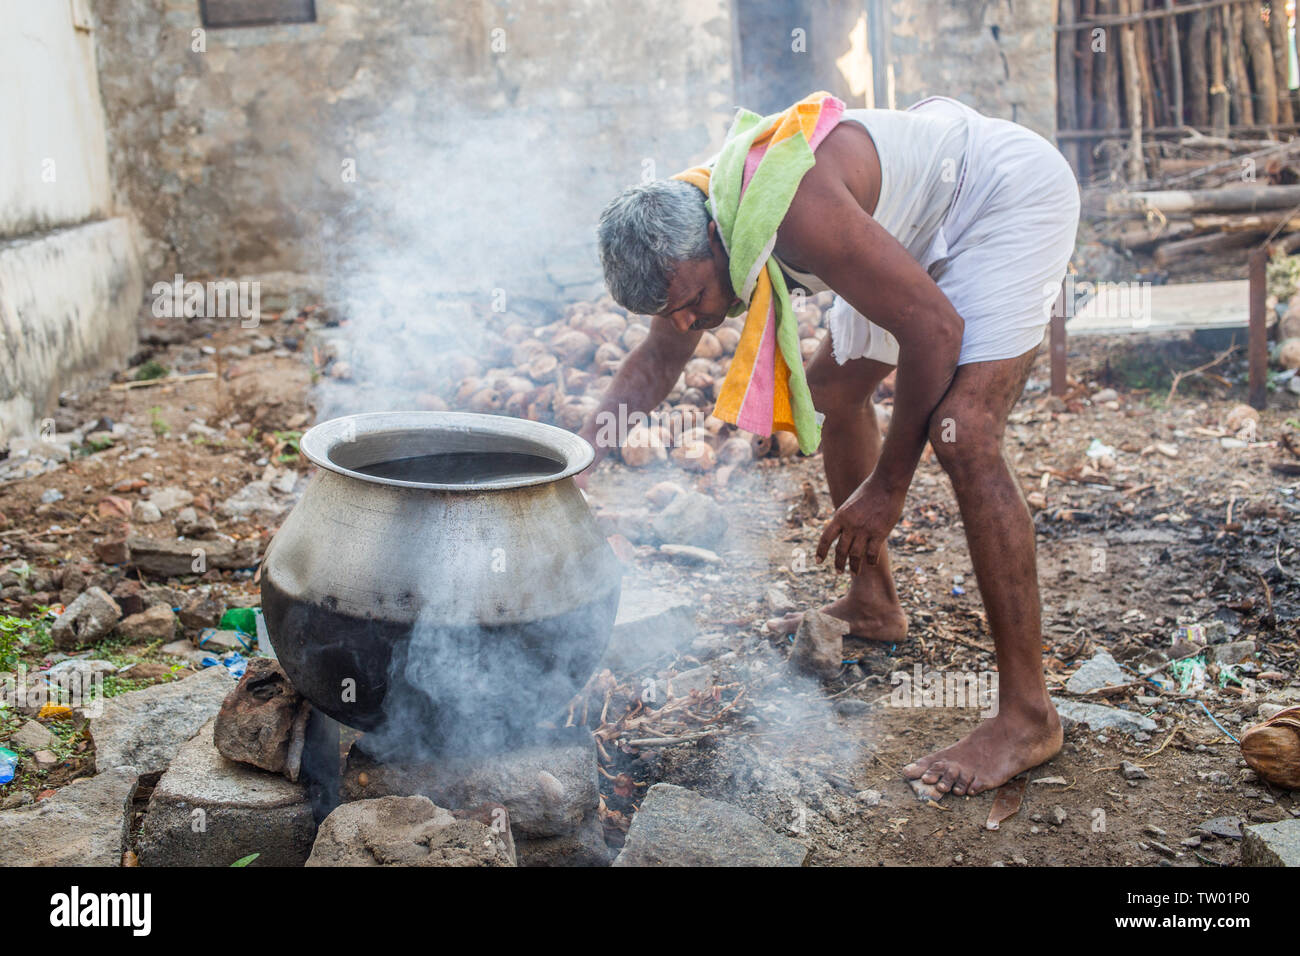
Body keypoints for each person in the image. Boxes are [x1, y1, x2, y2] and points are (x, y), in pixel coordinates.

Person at [579, 95, 1080, 797]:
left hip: (998, 196)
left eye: (690, 298)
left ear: (714, 242)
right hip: (906, 226)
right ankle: (875, 604)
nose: (690, 319)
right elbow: (657, 363)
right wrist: (579, 458)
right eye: (675, 311)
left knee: (963, 435)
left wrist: (886, 489)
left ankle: (1029, 715)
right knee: (834, 394)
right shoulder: (698, 218)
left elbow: (934, 332)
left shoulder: (793, 211)